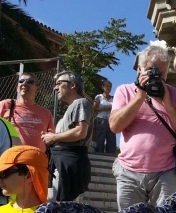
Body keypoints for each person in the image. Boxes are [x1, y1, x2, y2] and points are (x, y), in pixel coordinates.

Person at [109, 44, 176, 210]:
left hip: (165, 172)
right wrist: (139, 97)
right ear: (139, 69)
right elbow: (114, 126)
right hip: (128, 172)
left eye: (161, 73)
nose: (156, 77)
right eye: (150, 71)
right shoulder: (124, 91)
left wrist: (168, 105)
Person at [41, 72, 92, 203]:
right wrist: (51, 138)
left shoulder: (80, 102)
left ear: (72, 85)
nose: (55, 88)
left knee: (62, 209)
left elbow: (80, 132)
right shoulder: (72, 107)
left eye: (59, 83)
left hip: (69, 165)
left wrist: (54, 138)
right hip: (63, 164)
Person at [0, 73, 54, 151]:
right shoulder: (6, 105)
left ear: (37, 90)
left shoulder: (46, 113)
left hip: (37, 157)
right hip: (12, 156)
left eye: (30, 82)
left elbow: (51, 138)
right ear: (17, 88)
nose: (24, 84)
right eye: (21, 81)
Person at [93, 80, 117, 154]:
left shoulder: (113, 98)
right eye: (107, 86)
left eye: (110, 87)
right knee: (100, 138)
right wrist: (103, 109)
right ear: (103, 87)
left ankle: (110, 155)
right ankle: (99, 154)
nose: (108, 88)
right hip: (101, 120)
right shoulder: (99, 97)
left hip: (111, 120)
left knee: (111, 139)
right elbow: (94, 108)